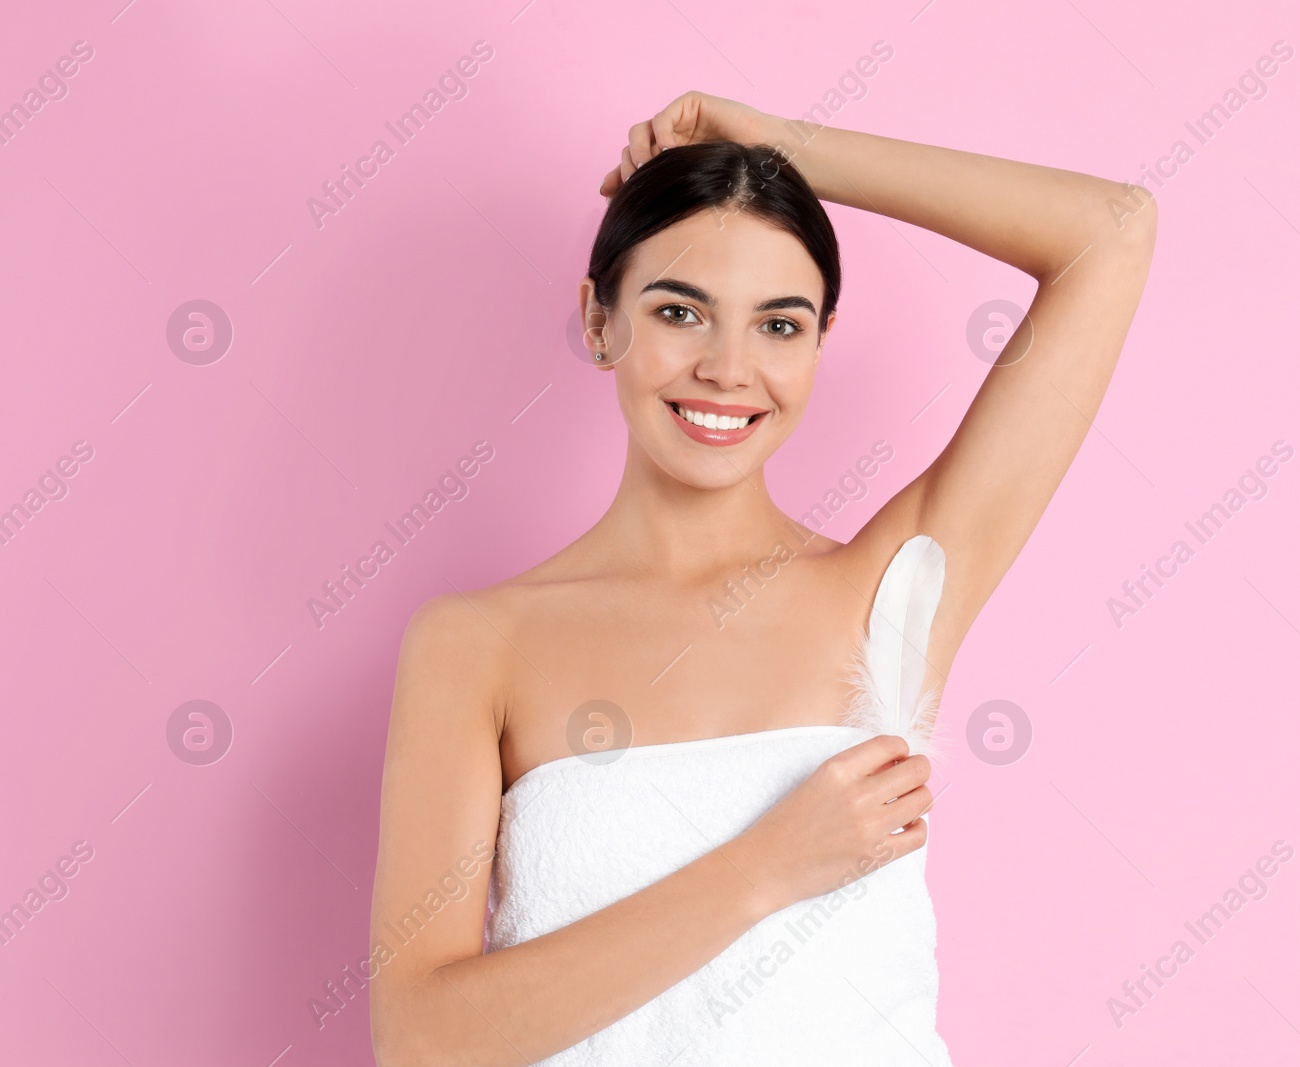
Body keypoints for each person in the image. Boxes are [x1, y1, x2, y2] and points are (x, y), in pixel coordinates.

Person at [368, 90, 1157, 1066]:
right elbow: (422, 1039)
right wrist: (766, 866)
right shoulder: (474, 642)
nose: (727, 368)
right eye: (679, 311)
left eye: (779, 326)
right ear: (598, 319)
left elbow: (1110, 234)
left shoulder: (887, 593)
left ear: (821, 341)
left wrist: (778, 147)